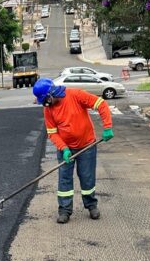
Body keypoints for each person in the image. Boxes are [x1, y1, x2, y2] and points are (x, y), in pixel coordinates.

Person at [32, 79, 114, 224]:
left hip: (87, 145)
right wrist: (64, 148)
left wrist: (107, 127)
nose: (44, 103)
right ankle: (64, 210)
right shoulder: (48, 110)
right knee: (64, 179)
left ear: (51, 93)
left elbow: (101, 104)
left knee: (87, 177)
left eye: (45, 99)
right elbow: (52, 132)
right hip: (65, 149)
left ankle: (91, 205)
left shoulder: (75, 95)